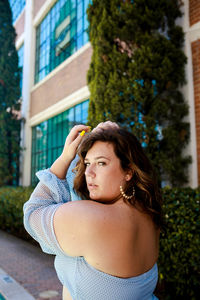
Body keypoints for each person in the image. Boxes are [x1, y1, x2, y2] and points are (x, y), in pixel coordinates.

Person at [23, 121, 162, 300]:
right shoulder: (148, 214)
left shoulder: (93, 220)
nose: (89, 172)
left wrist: (66, 157)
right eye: (87, 163)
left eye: (101, 163)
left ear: (128, 171)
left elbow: (33, 213)